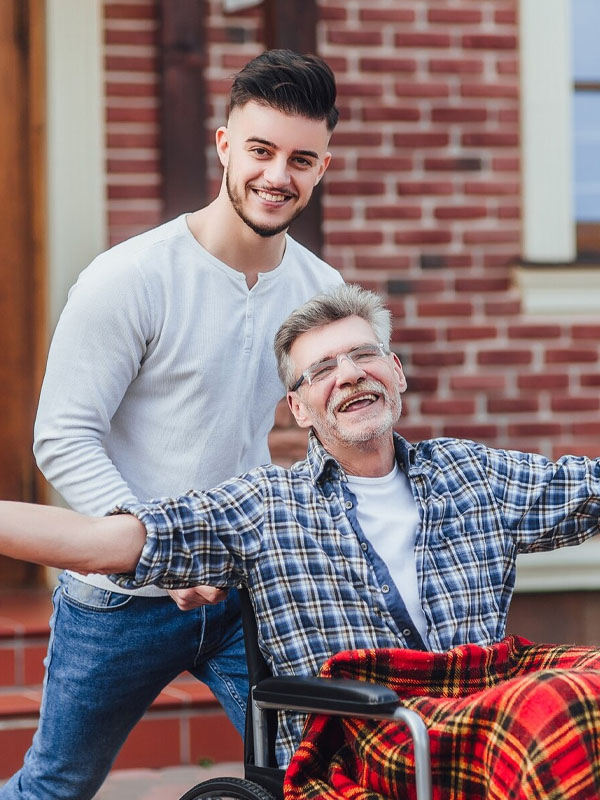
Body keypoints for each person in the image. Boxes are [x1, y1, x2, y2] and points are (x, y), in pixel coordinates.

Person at [1, 284, 599, 770]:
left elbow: (592, 490)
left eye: (364, 356)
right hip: (366, 742)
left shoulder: (472, 475)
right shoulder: (267, 507)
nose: (350, 375)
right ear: (299, 408)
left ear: (395, 372)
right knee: (560, 708)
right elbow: (106, 544)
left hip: (487, 711)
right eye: (322, 369)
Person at [1, 50, 342, 800]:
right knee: (54, 787)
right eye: (260, 150)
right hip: (116, 598)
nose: (277, 175)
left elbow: (334, 442)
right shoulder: (131, 278)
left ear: (323, 166)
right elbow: (62, 434)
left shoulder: (321, 291)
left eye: (300, 159)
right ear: (224, 145)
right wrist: (163, 548)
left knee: (316, 778)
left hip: (240, 589)